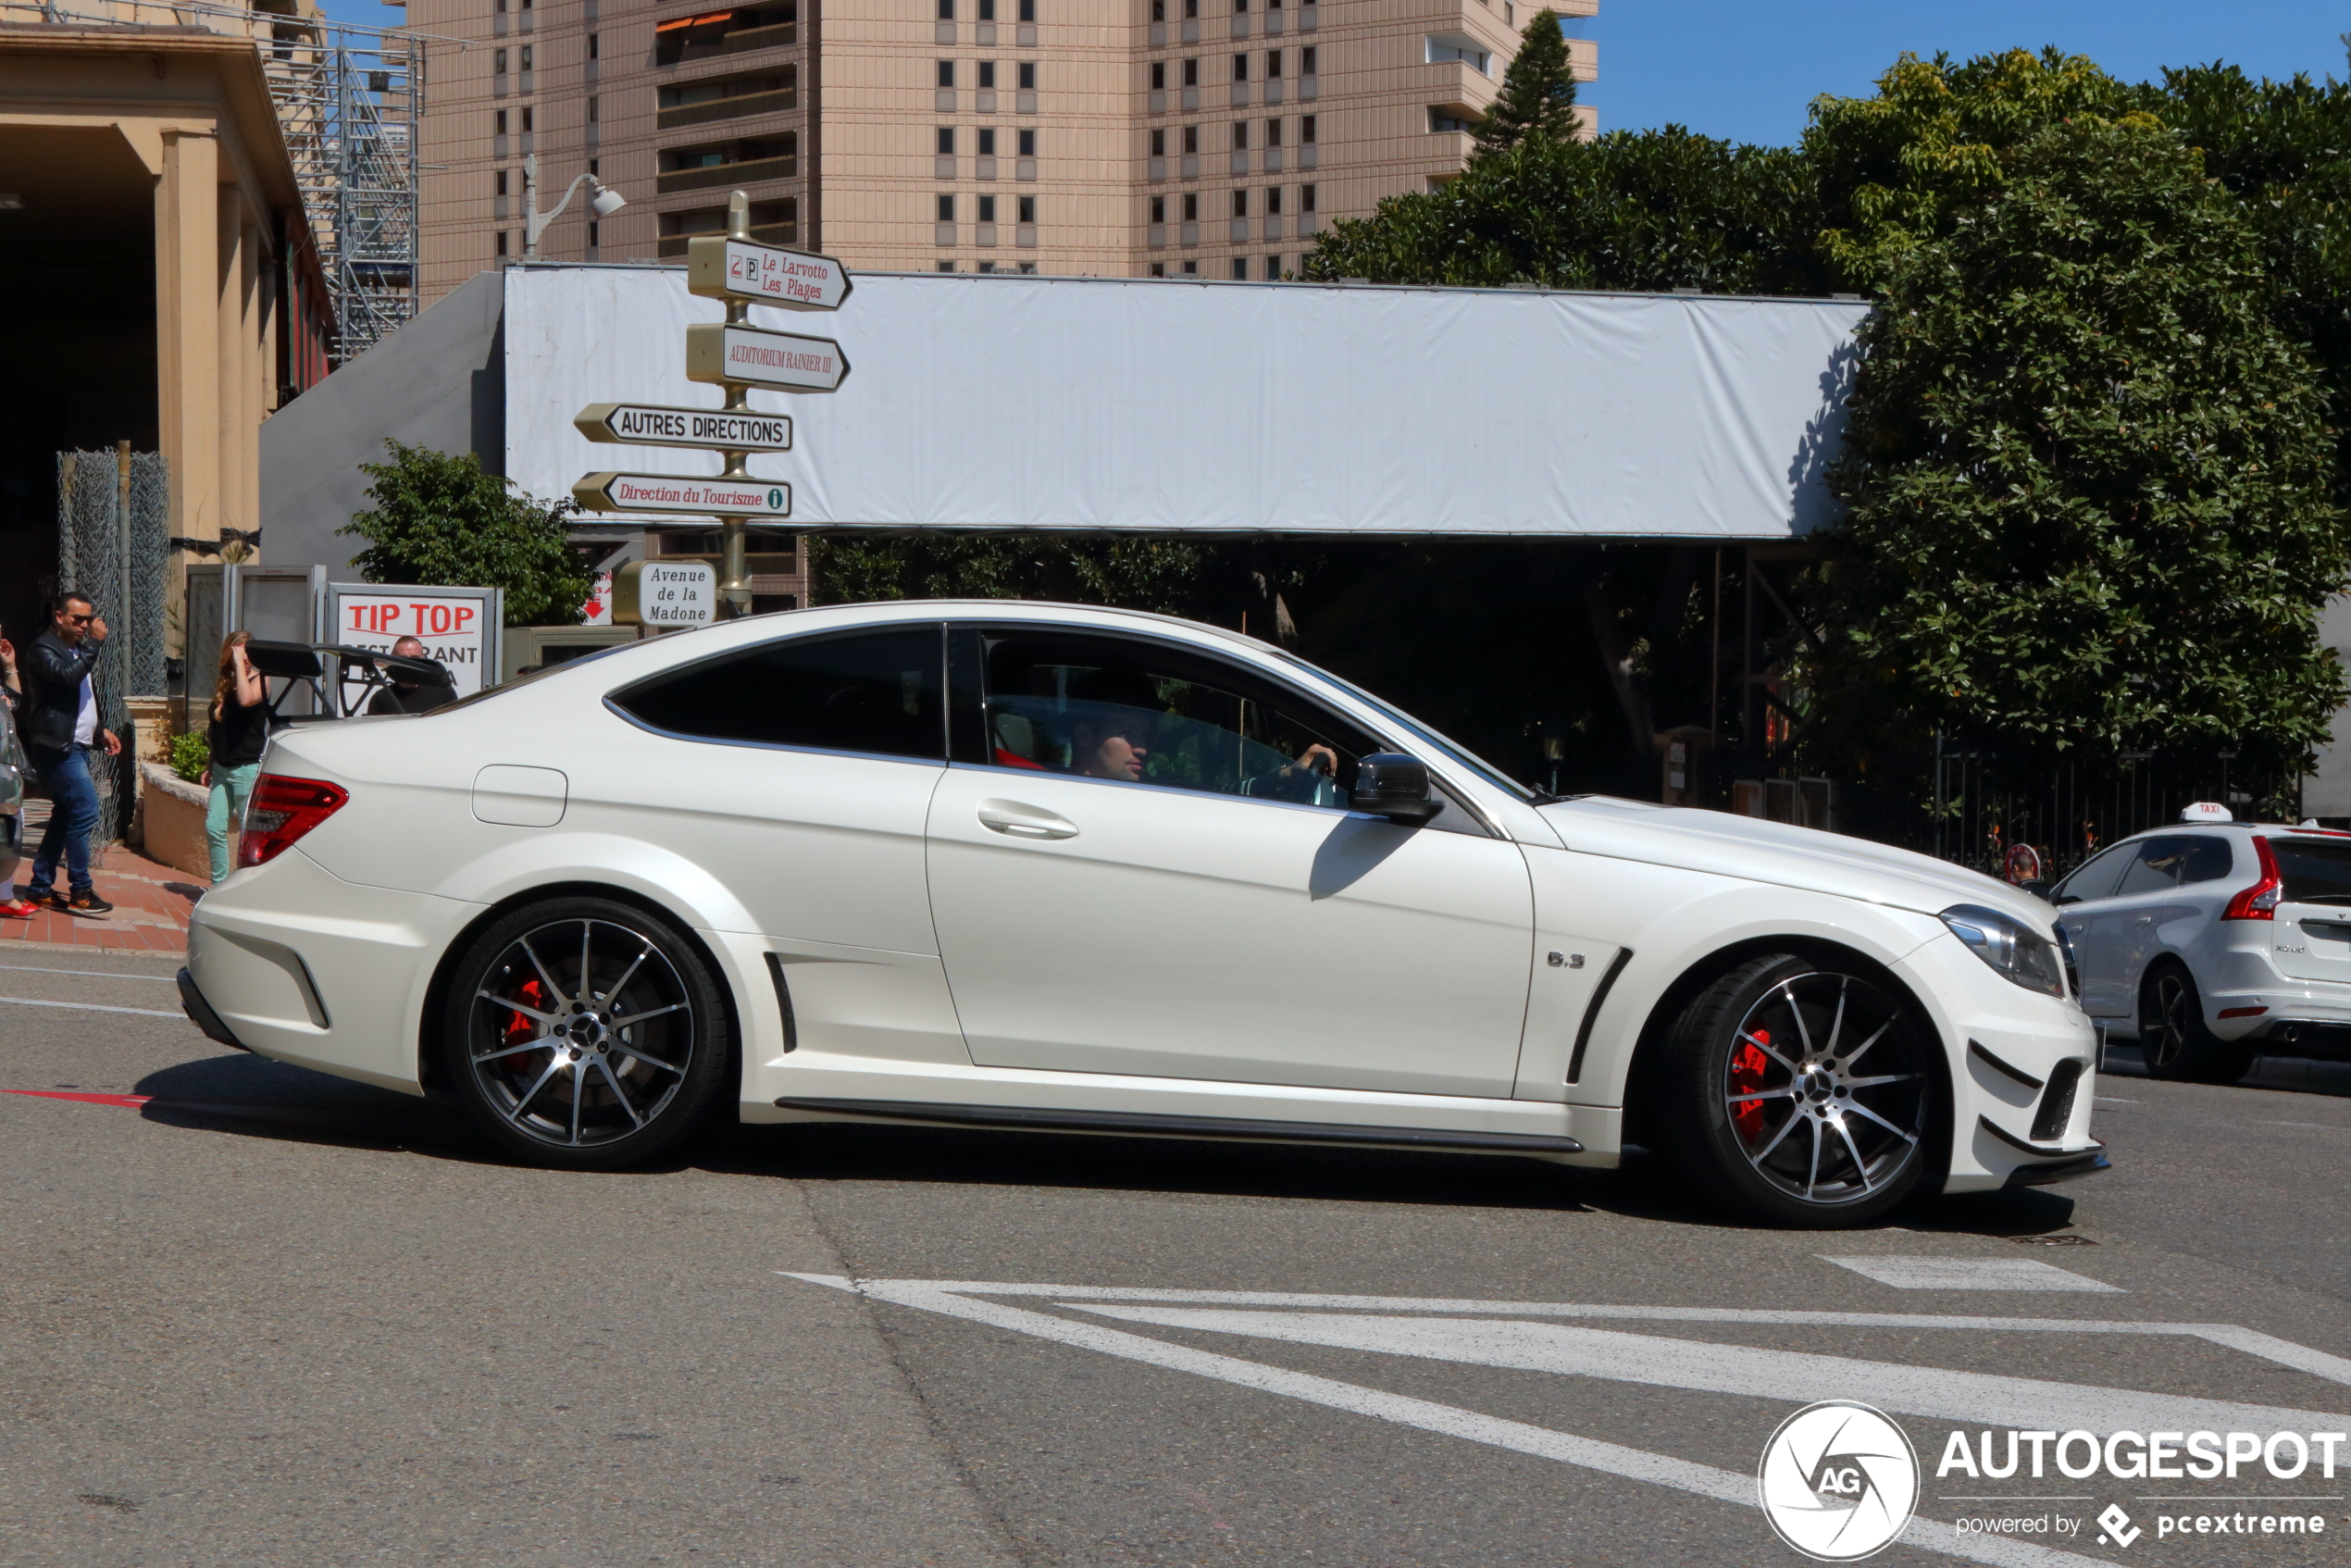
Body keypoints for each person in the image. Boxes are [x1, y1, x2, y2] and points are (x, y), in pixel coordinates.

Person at [19, 592, 119, 914]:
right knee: (86, 809)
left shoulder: (76, 650)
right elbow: (67, 678)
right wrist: (94, 645)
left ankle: (39, 887)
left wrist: (99, 728)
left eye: (88, 619)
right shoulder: (43, 649)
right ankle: (81, 890)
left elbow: (83, 696)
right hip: (57, 747)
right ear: (59, 616)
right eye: (78, 619)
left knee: (64, 816)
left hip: (78, 742)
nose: (85, 625)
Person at [205, 632, 267, 884]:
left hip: (246, 769)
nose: (244, 656)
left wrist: (241, 667)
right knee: (213, 828)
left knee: (248, 835)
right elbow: (217, 731)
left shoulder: (262, 679)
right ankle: (218, 885)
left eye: (247, 651)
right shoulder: (225, 685)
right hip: (222, 768)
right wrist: (210, 764)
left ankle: (246, 887)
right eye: (239, 651)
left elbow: (246, 699)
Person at [0, 623, 32, 918]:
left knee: (12, 824)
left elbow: (15, 701)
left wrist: (10, 667)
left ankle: (5, 894)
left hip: (4, 769)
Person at [367, 635, 456, 716]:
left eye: (414, 658)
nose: (409, 664)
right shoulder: (381, 698)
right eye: (403, 659)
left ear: (423, 658)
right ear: (392, 659)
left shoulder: (444, 692)